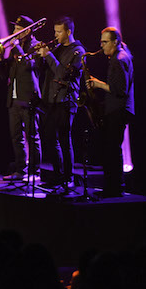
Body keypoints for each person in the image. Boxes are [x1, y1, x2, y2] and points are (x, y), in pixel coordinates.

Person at [36, 17, 86, 190]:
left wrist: (48, 55)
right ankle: (57, 175)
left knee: (64, 139)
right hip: (51, 99)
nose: (55, 35)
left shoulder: (78, 51)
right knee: (50, 139)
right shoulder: (57, 49)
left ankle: (68, 176)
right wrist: (41, 56)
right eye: (55, 31)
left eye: (58, 32)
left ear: (68, 32)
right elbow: (46, 70)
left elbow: (62, 73)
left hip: (66, 100)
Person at [85, 26, 134, 197]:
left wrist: (97, 83)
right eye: (101, 42)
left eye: (105, 42)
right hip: (117, 108)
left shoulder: (118, 60)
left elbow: (120, 89)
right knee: (112, 149)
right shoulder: (121, 57)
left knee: (111, 150)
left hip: (118, 109)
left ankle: (114, 188)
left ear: (115, 42)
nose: (102, 46)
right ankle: (114, 187)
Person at [0, 16, 42, 181]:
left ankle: (34, 172)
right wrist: (0, 57)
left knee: (32, 135)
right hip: (13, 97)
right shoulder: (15, 49)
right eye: (14, 29)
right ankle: (20, 170)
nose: (14, 33)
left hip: (29, 97)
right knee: (15, 136)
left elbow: (31, 66)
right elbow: (5, 75)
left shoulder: (36, 46)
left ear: (28, 30)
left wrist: (18, 48)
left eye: (18, 30)